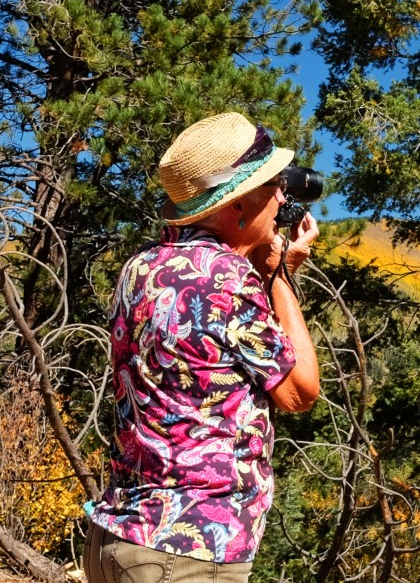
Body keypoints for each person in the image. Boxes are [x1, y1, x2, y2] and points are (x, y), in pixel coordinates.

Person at [83, 112, 320, 582]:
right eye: (272, 185)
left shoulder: (139, 267)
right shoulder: (229, 280)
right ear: (236, 206)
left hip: (116, 537)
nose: (280, 197)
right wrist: (278, 276)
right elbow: (299, 392)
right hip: (187, 549)